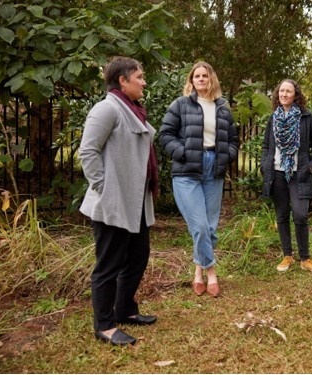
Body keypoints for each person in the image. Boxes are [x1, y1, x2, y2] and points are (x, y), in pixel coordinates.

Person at [79, 56, 159, 346]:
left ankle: (124, 309)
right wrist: (104, 188)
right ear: (123, 81)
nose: (144, 82)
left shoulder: (134, 110)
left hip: (136, 201)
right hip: (112, 203)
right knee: (108, 265)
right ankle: (104, 325)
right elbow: (88, 152)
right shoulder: (107, 109)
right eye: (140, 76)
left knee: (137, 257)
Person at [159, 61, 238, 298]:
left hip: (213, 168)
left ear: (211, 79)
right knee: (200, 226)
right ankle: (211, 271)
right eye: (197, 76)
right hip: (186, 171)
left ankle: (197, 272)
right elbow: (165, 135)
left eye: (205, 75)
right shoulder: (181, 105)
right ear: (191, 81)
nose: (201, 79)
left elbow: (234, 140)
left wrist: (225, 157)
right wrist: (182, 152)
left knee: (210, 226)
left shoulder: (223, 107)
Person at [261, 79, 312, 275]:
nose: (284, 94)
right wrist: (265, 164)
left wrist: (311, 167)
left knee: (300, 214)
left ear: (296, 95)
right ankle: (287, 255)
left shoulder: (306, 117)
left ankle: (305, 258)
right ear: (277, 94)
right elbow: (266, 146)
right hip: (277, 174)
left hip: (300, 174)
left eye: (288, 91)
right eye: (281, 91)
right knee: (281, 216)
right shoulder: (273, 118)